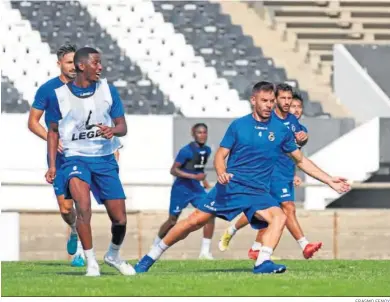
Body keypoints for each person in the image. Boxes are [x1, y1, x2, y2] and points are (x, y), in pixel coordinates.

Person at [134, 81, 350, 274]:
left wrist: (329, 180)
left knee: (280, 216)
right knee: (193, 222)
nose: (269, 105)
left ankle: (263, 262)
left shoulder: (281, 130)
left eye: (271, 101)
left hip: (258, 193)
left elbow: (301, 160)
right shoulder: (239, 126)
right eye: (264, 100)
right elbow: (221, 154)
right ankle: (150, 256)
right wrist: (221, 172)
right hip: (232, 187)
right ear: (253, 100)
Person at [45, 47, 133, 277]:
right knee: (83, 209)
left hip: (104, 158)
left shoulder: (107, 90)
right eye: (96, 63)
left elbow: (123, 127)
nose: (100, 67)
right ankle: (91, 262)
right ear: (81, 66)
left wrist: (112, 130)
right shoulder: (60, 95)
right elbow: (53, 131)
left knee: (120, 219)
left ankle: (113, 255)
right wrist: (53, 165)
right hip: (75, 158)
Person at [219, 87, 322, 260]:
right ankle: (304, 245)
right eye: (286, 99)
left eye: (297, 105)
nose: (292, 106)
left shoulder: (296, 125)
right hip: (270, 174)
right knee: (287, 208)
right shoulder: (269, 120)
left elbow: (293, 155)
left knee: (267, 214)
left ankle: (252, 245)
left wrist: (294, 170)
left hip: (285, 174)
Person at [28, 44, 85, 267]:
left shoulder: (88, 87)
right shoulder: (47, 89)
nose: (73, 67)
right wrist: (54, 141)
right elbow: (33, 122)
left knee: (82, 202)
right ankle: (73, 229)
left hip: (82, 153)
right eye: (69, 62)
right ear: (59, 63)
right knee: (65, 208)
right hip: (59, 156)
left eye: (76, 62)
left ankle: (81, 251)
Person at [152, 123, 215, 259]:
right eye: (199, 132)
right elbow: (173, 170)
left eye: (205, 132)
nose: (202, 135)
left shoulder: (207, 150)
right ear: (193, 134)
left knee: (209, 213)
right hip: (181, 189)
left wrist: (205, 183)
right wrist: (194, 177)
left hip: (196, 189)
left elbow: (199, 169)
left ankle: (205, 252)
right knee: (172, 221)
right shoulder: (186, 151)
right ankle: (154, 247)